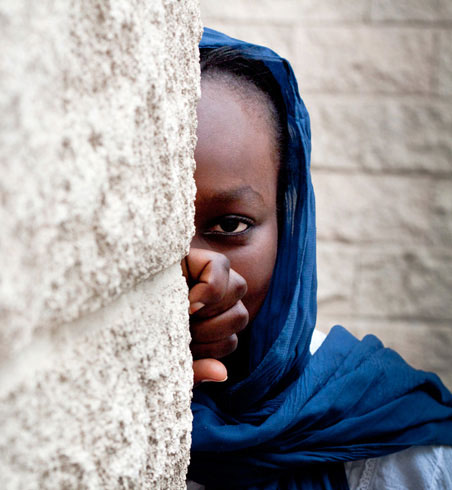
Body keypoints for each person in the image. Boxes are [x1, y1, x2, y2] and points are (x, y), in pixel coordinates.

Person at [184, 28, 452, 489]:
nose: (204, 270)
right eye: (158, 230)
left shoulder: (401, 448)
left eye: (229, 226)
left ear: (290, 229)